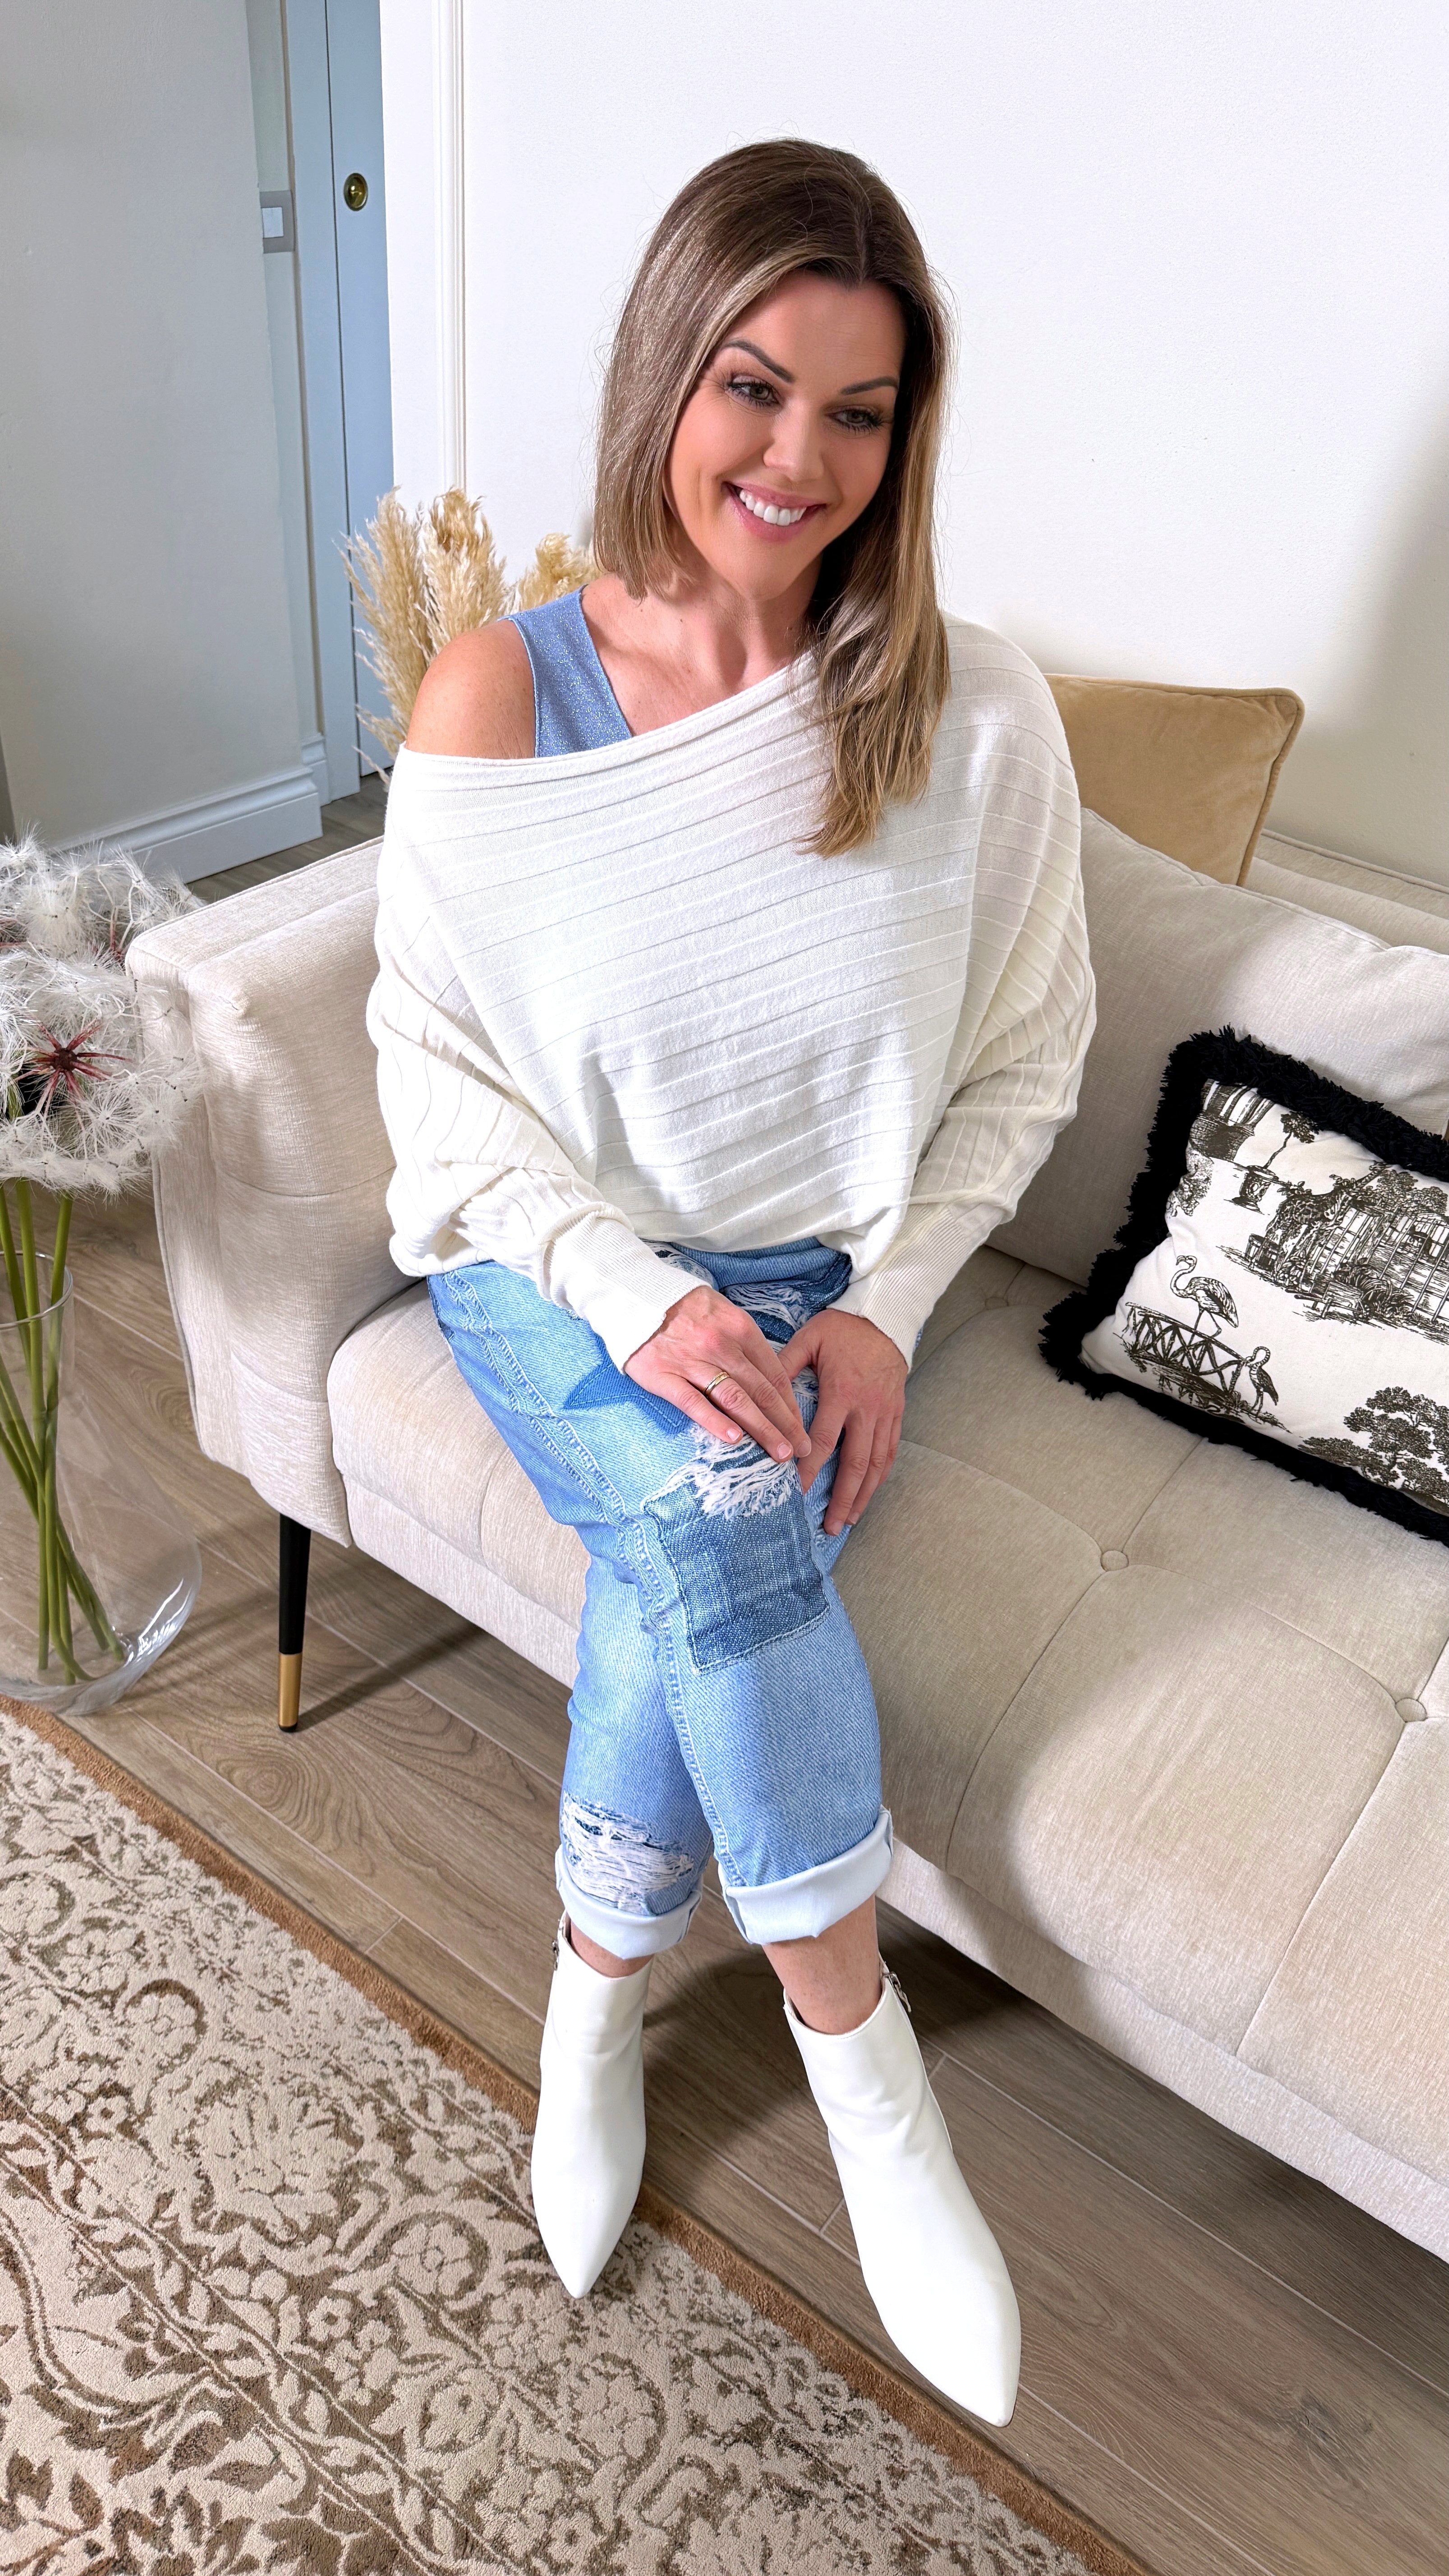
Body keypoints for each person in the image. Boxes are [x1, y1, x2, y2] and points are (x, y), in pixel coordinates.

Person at [368, 138, 1095, 2426]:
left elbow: (1031, 1058)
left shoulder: (978, 720)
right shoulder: (499, 695)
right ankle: (868, 2080)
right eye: (756, 385)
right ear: (666, 372)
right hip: (550, 1266)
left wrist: (881, 1308)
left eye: (860, 412)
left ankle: (592, 1998)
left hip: (813, 1279)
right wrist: (627, 1294)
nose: (800, 457)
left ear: (909, 439)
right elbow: (437, 1085)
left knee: (689, 1559)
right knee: (713, 1504)